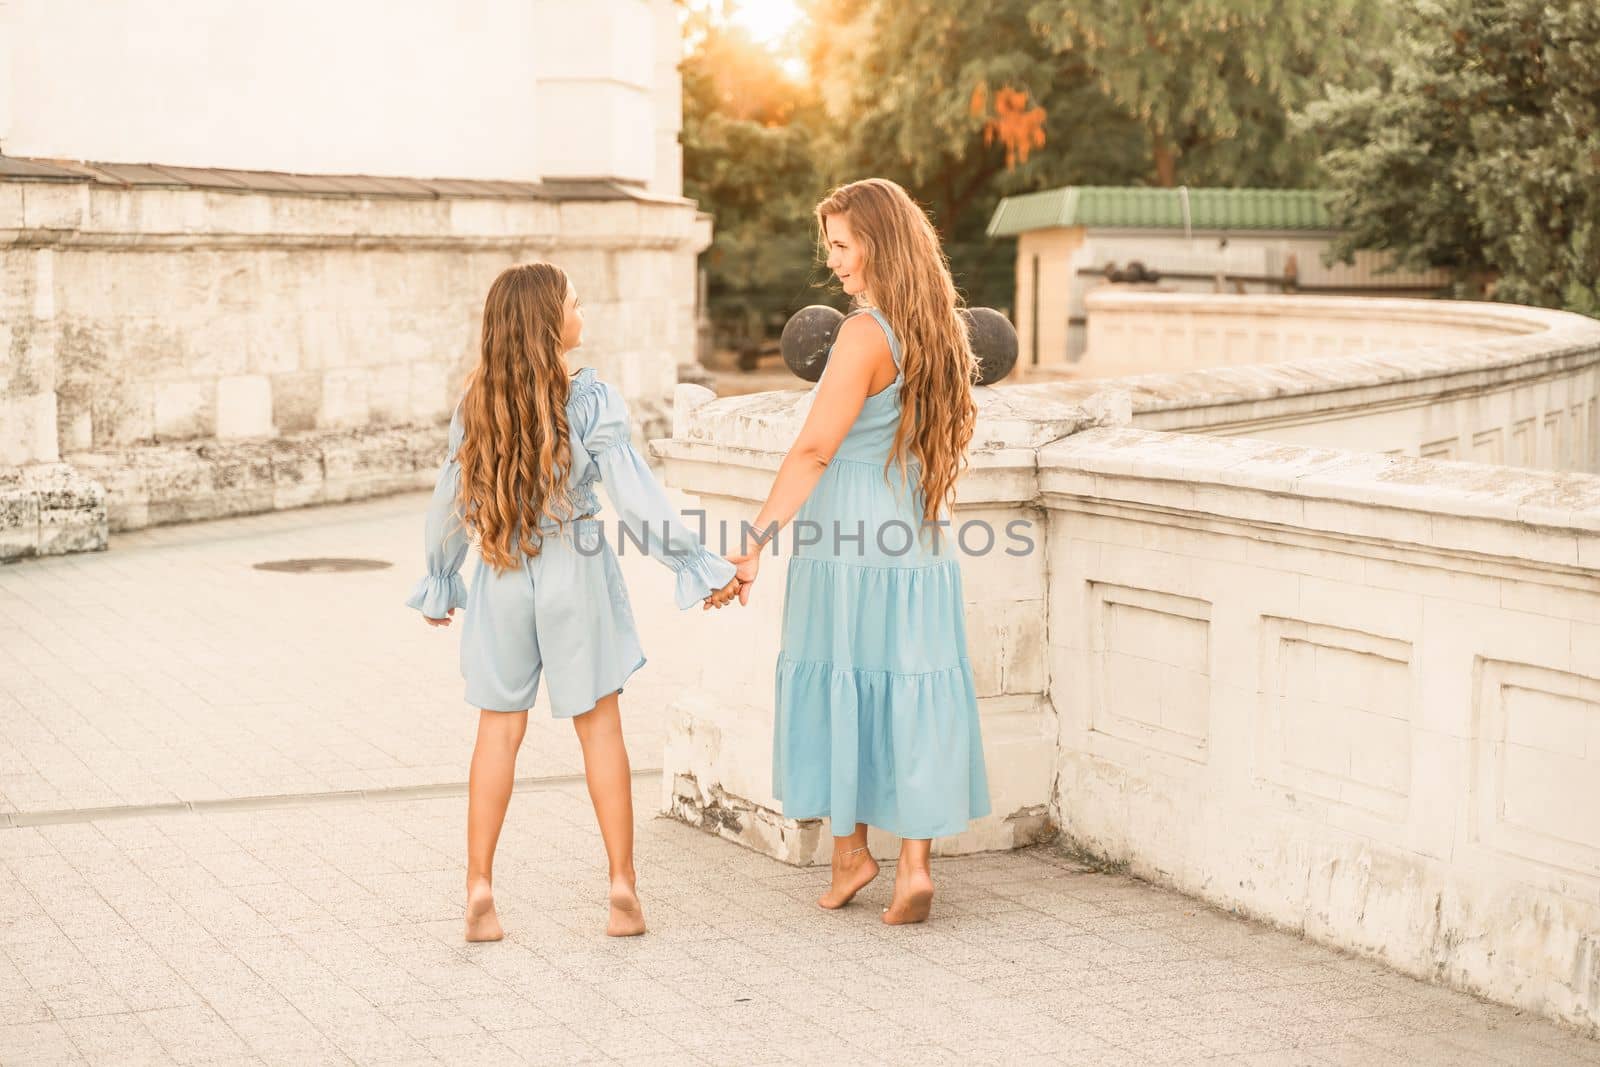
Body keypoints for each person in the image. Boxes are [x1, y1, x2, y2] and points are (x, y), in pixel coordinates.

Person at [407, 262, 741, 941]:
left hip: (502, 570)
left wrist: (441, 577)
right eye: (575, 303)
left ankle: (479, 889)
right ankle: (621, 886)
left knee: (497, 731)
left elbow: (449, 502)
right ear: (548, 323)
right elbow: (638, 498)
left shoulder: (476, 401)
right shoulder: (592, 399)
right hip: (576, 563)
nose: (582, 312)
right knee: (601, 729)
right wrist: (698, 565)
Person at [726, 178, 991, 925]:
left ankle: (850, 851)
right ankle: (913, 866)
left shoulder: (864, 333)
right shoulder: (937, 329)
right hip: (918, 540)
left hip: (850, 545)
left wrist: (752, 543)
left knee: (845, 679)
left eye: (841, 245)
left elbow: (814, 449)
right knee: (909, 688)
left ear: (876, 242)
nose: (834, 261)